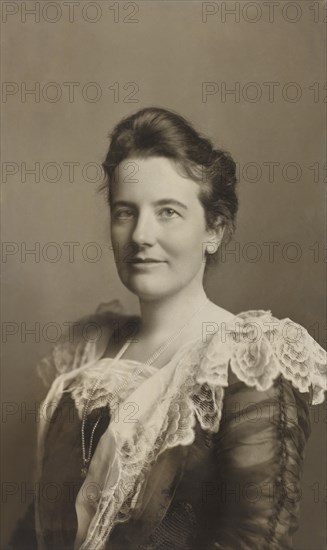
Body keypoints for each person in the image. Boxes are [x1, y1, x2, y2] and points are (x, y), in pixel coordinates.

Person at [10, 107, 326, 550]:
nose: (141, 235)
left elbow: (254, 539)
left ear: (213, 229)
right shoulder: (89, 353)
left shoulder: (248, 361)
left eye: (168, 212)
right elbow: (37, 529)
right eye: (125, 212)